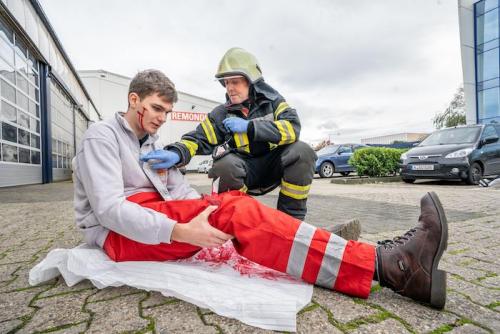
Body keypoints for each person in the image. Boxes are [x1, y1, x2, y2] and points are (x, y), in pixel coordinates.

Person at [73, 69, 449, 310]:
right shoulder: (101, 138)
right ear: (133, 99)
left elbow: (180, 191)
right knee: (237, 214)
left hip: (161, 211)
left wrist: (207, 206)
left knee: (231, 204)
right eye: (156, 109)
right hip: (120, 234)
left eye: (167, 113)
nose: (161, 119)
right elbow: (108, 209)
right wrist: (181, 230)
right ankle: (391, 267)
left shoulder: (154, 145)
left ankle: (316, 241)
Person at [141, 48, 317, 220]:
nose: (229, 88)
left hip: (274, 166)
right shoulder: (221, 114)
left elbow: (293, 128)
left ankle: (290, 221)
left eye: (235, 81)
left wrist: (250, 127)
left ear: (251, 81)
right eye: (226, 83)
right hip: (243, 172)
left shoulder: (274, 102)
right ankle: (241, 222)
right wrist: (177, 152)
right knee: (224, 165)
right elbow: (198, 138)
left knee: (302, 151)